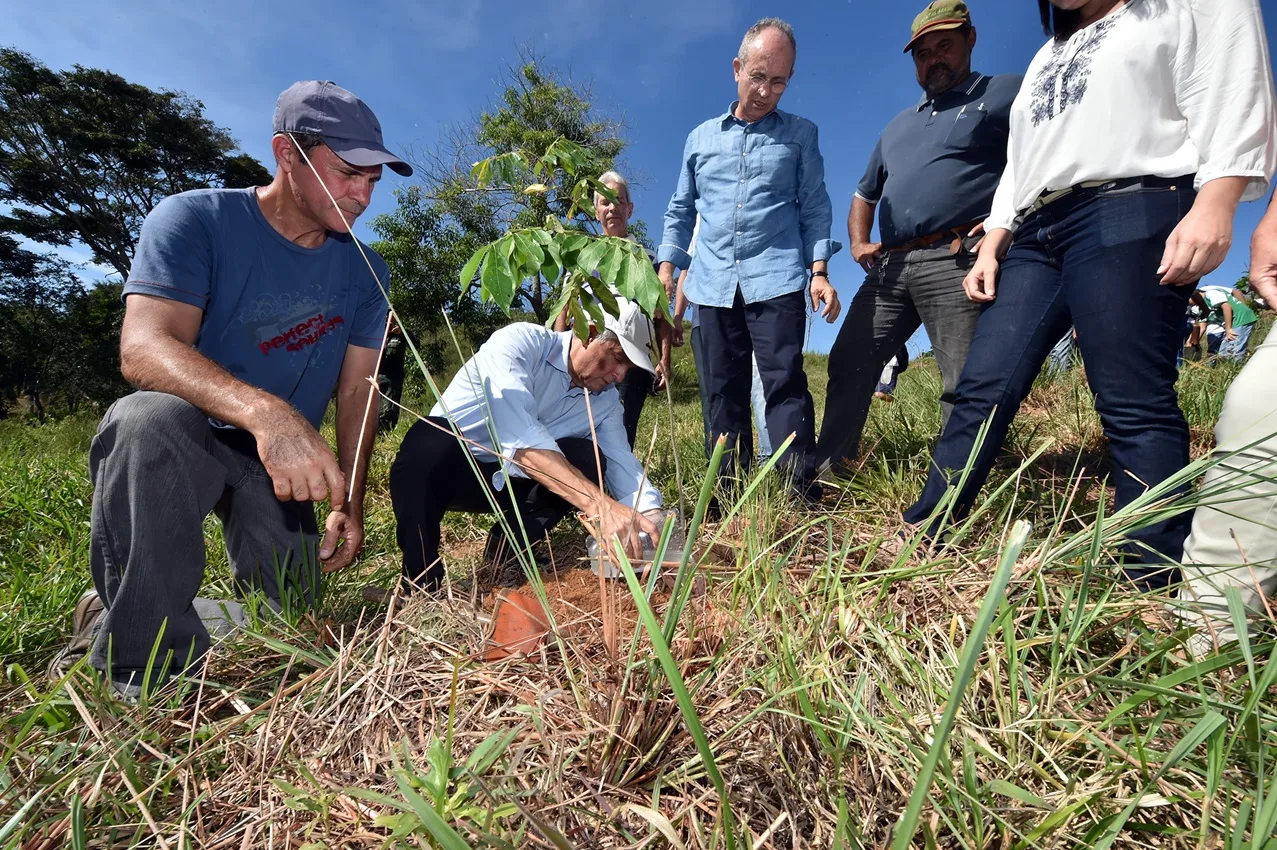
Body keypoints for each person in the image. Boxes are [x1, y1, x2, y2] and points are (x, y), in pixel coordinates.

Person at [898, 0, 1276, 590]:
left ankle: (1146, 582)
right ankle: (926, 531)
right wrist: (995, 243)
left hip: (1132, 204)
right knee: (983, 385)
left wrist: (1217, 200)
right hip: (1036, 229)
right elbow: (1022, 162)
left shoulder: (1182, 6)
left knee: (1129, 395)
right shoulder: (1048, 54)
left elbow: (1234, 80)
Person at [53, 81, 409, 698]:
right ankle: (139, 670)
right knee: (145, 420)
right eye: (348, 173)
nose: (363, 194)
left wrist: (349, 499)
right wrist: (266, 414)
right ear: (287, 153)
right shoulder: (196, 219)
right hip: (190, 433)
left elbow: (359, 391)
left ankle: (121, 609)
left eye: (374, 180)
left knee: (292, 631)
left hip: (279, 464)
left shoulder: (367, 270)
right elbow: (143, 347)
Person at [817, 1, 1021, 476]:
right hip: (892, 266)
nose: (934, 59)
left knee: (962, 377)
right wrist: (858, 242)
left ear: (971, 39)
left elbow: (1042, 156)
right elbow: (863, 193)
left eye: (944, 45)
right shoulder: (898, 126)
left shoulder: (1003, 94)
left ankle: (958, 486)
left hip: (957, 258)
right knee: (850, 360)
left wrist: (1006, 221)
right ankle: (830, 471)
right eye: (922, 53)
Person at [657, 17, 841, 498]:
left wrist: (818, 270)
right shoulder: (699, 139)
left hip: (776, 277)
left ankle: (798, 496)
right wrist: (667, 268)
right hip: (713, 282)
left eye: (778, 81)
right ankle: (724, 497)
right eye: (758, 76)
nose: (766, 91)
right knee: (722, 391)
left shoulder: (801, 135)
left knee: (784, 384)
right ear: (737, 69)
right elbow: (680, 208)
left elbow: (815, 205)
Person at [388, 308, 667, 593]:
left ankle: (507, 550)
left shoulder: (604, 402)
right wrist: (601, 506)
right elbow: (521, 440)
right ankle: (421, 583)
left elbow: (623, 462)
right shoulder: (520, 344)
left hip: (516, 482)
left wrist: (654, 521)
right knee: (430, 440)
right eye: (618, 358)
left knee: (587, 457)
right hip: (457, 469)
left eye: (628, 368)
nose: (620, 376)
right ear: (589, 332)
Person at [1178, 195, 1277, 654]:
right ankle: (1207, 641)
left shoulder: (1219, 297)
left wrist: (1230, 331)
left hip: (1238, 323)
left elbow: (1224, 316)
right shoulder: (1203, 301)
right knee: (1256, 417)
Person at [555, 171, 672, 449]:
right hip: (586, 355)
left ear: (629, 209)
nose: (612, 208)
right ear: (596, 212)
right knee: (578, 431)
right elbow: (564, 307)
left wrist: (665, 360)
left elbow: (663, 316)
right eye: (605, 203)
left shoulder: (649, 259)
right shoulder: (582, 257)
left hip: (630, 362)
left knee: (620, 431)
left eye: (618, 201)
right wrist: (557, 352)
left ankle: (616, 487)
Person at [673, 216, 773, 462]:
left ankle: (769, 456)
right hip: (706, 318)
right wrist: (677, 317)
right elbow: (687, 270)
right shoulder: (699, 220)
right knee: (714, 393)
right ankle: (720, 462)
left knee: (761, 383)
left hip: (753, 308)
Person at [1201, 284, 1259, 361]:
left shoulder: (1210, 293)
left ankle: (1238, 369)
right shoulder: (1204, 301)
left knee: (1235, 351)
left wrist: (1228, 329)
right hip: (1235, 321)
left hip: (1241, 319)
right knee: (1223, 353)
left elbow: (1227, 307)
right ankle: (1225, 370)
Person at [376, 315, 407, 434]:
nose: (388, 319)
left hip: (393, 378)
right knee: (373, 409)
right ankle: (374, 434)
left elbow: (415, 343)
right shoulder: (377, 332)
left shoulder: (400, 334)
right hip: (377, 377)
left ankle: (386, 434)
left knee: (389, 409)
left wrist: (401, 333)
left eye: (390, 316)